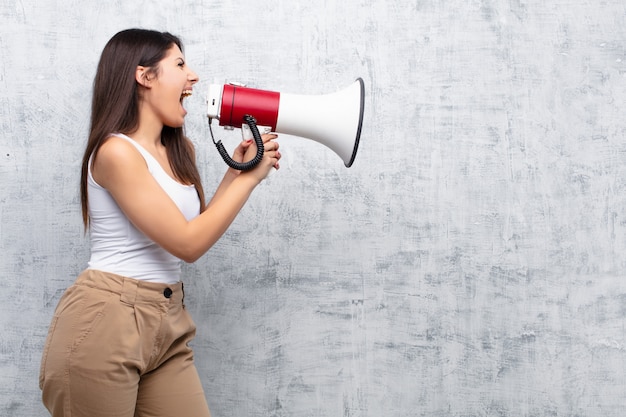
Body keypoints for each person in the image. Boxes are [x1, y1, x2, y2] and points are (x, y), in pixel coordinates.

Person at [38, 28, 280, 417]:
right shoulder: (115, 152)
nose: (194, 77)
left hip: (166, 323)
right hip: (106, 321)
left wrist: (238, 173)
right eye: (180, 64)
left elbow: (193, 226)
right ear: (144, 76)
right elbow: (187, 244)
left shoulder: (179, 149)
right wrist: (249, 180)